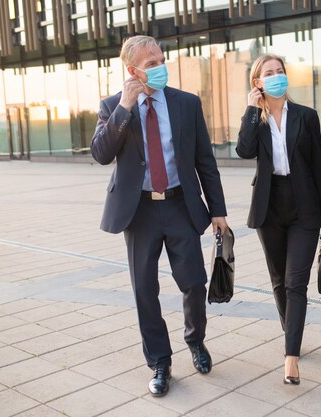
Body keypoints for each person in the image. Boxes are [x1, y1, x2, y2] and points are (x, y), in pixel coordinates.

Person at [91, 35, 228, 397]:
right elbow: (101, 154)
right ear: (132, 70)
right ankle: (160, 362)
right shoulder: (113, 106)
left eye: (161, 59)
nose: (159, 67)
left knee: (194, 281)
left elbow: (205, 161)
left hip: (180, 203)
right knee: (144, 290)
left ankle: (195, 340)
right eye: (150, 63)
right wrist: (124, 106)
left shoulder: (186, 103)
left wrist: (218, 211)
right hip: (138, 211)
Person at [236, 54, 321, 385]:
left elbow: (318, 165)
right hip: (269, 206)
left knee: (295, 281)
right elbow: (244, 151)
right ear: (258, 82)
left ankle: (291, 357)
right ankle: (291, 330)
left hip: (304, 204)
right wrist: (252, 109)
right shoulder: (256, 120)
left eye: (280, 72)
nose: (276, 77)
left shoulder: (307, 117)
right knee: (278, 279)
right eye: (269, 73)